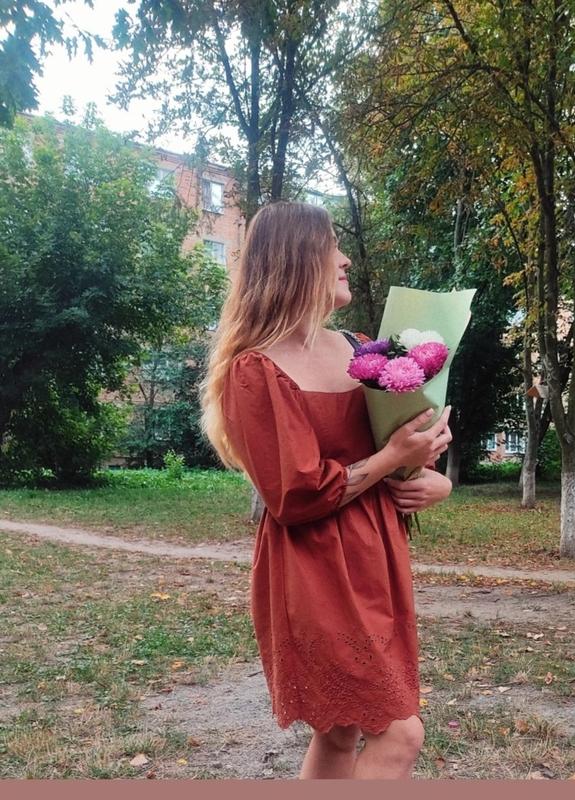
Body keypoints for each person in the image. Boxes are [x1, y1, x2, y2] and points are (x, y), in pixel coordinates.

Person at [200, 201, 453, 780]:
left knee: (340, 732)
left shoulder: (363, 349)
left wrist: (428, 473)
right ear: (297, 259)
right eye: (332, 246)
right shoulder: (254, 370)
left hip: (376, 555)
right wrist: (392, 457)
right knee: (401, 734)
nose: (344, 259)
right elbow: (295, 495)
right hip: (313, 567)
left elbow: (399, 444)